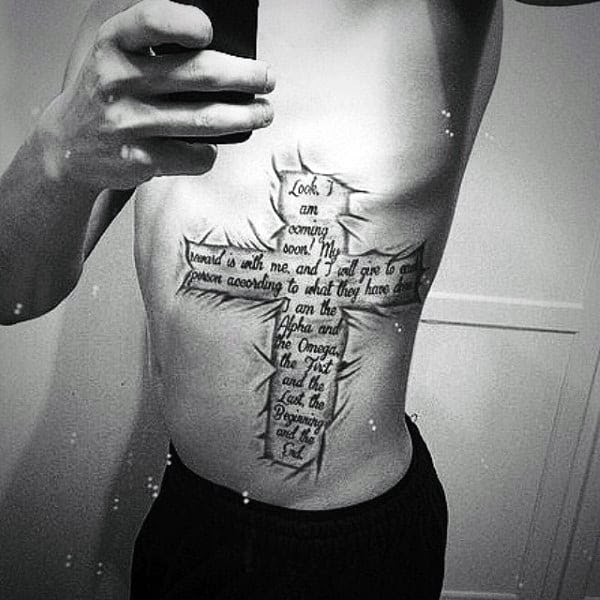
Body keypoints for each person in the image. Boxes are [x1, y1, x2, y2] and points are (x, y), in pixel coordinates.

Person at [0, 0, 597, 598]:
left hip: (357, 548)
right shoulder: (130, 17)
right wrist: (55, 155)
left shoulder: (444, 11)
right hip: (191, 519)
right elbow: (12, 295)